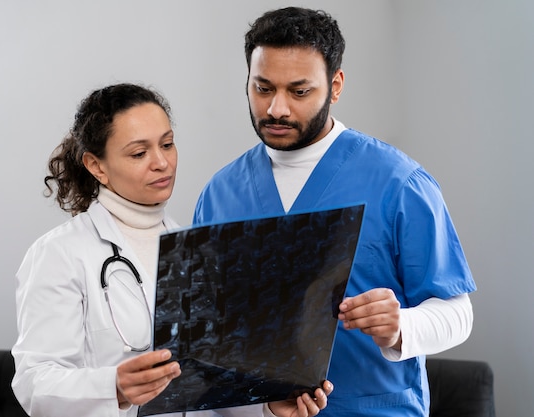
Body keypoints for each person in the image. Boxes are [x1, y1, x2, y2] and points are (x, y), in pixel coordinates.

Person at [192, 7, 476, 417]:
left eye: (299, 91)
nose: (276, 109)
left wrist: (401, 327)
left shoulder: (399, 183)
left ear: (336, 85)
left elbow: (458, 313)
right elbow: (207, 338)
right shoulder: (219, 194)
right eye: (263, 88)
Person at [11, 83, 332, 417]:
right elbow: (34, 384)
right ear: (96, 166)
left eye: (167, 144)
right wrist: (114, 388)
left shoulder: (197, 249)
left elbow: (211, 379)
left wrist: (267, 406)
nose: (162, 162)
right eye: (139, 153)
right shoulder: (60, 254)